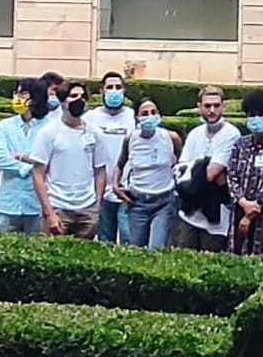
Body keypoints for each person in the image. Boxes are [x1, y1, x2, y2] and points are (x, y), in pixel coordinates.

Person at [31, 79, 107, 237]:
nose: (78, 100)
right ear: (63, 101)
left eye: (82, 97)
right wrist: (48, 212)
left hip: (87, 208)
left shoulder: (95, 133)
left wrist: (97, 206)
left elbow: (100, 171)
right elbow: (38, 173)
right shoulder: (49, 132)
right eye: (73, 96)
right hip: (58, 207)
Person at [174, 85, 240, 251]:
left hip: (217, 217)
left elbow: (212, 173)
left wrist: (197, 168)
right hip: (189, 214)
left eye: (216, 106)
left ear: (223, 106)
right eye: (207, 106)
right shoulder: (195, 133)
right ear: (199, 107)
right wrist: (204, 166)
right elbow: (181, 171)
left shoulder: (232, 134)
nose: (212, 110)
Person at [118, 96, 182, 248]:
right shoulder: (131, 139)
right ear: (137, 117)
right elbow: (120, 163)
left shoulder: (171, 138)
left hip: (164, 201)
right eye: (144, 113)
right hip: (137, 202)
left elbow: (181, 162)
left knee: (156, 248)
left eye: (153, 112)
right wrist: (116, 186)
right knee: (136, 249)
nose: (149, 116)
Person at [228, 89, 263, 257]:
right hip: (239, 209)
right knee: (237, 256)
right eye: (252, 115)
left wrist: (253, 210)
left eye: (261, 114)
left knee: (261, 256)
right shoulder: (240, 144)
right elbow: (232, 176)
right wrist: (242, 201)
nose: (256, 119)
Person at [0, 77, 47, 233]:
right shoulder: (5, 126)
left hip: (37, 205)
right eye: (16, 93)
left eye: (23, 94)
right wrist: (30, 165)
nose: (17, 98)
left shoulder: (49, 128)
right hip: (7, 203)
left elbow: (50, 162)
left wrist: (21, 156)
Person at [84, 71, 134, 243]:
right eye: (110, 87)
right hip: (99, 192)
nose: (114, 91)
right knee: (105, 240)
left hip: (125, 190)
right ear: (102, 91)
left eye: (118, 87)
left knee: (128, 238)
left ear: (124, 90)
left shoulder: (133, 117)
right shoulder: (90, 118)